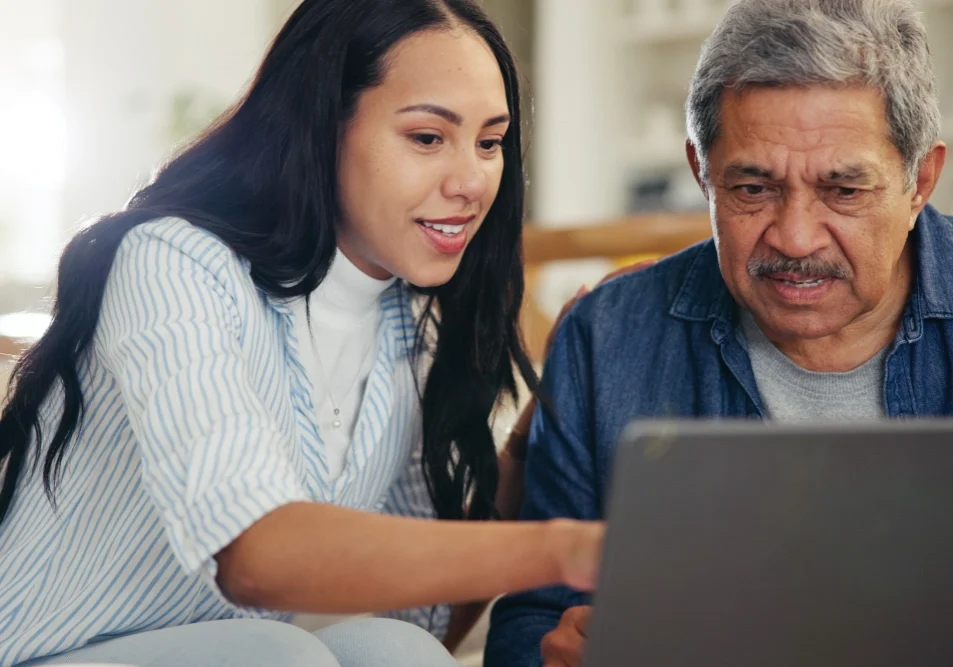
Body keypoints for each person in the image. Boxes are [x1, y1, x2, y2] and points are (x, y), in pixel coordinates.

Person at [0, 1, 604, 666]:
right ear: (323, 126)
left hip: (227, 651)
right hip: (39, 650)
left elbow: (424, 620)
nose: (469, 182)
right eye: (428, 138)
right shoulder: (170, 262)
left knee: (393, 646)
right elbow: (254, 555)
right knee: (281, 653)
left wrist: (532, 436)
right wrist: (571, 547)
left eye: (489, 142)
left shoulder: (404, 332)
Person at [484, 0, 950, 665]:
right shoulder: (607, 335)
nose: (793, 237)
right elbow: (534, 614)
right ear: (701, 173)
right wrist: (552, 653)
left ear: (918, 181)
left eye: (842, 191)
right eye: (751, 188)